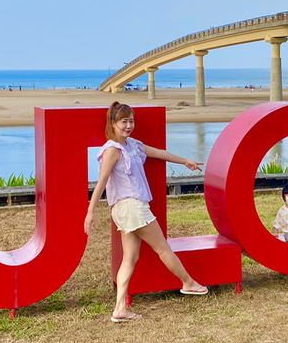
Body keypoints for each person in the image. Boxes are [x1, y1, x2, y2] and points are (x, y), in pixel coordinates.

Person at [85, 102, 208, 323]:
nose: (128, 125)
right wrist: (90, 211)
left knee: (130, 258)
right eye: (124, 121)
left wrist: (185, 161)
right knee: (163, 249)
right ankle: (189, 283)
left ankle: (120, 308)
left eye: (131, 121)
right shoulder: (113, 150)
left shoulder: (132, 145)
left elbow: (159, 153)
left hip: (129, 208)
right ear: (113, 124)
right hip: (130, 206)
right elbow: (102, 182)